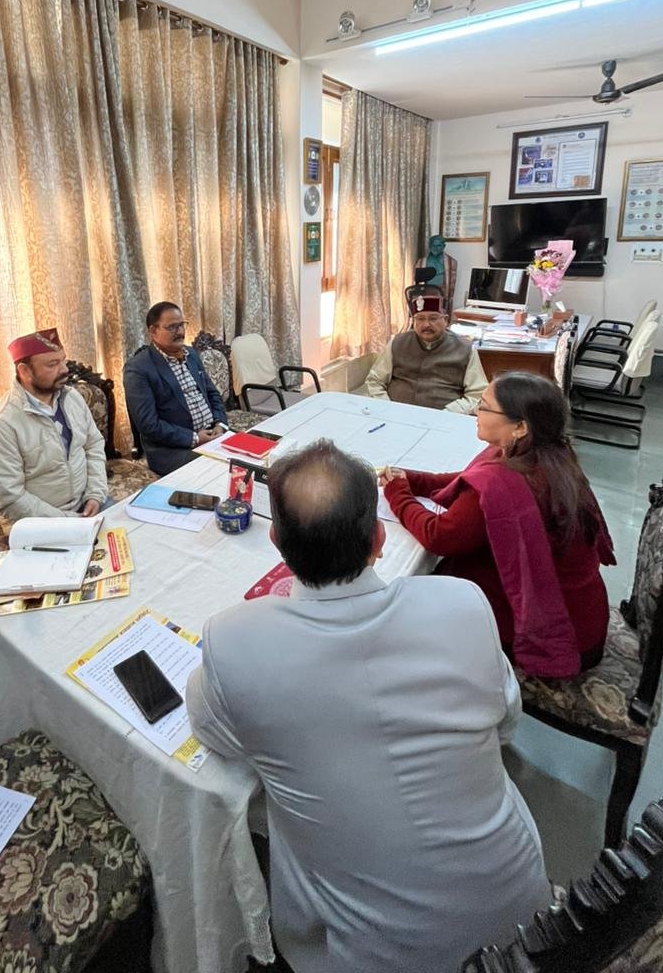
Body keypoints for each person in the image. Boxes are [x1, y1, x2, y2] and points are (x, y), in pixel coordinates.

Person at [186, 440, 552, 973]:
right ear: (379, 539)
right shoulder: (463, 604)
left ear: (277, 544)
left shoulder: (232, 640)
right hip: (524, 922)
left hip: (371, 954)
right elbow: (505, 725)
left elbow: (211, 729)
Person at [382, 371, 615, 677]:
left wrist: (397, 494)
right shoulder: (548, 453)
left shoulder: (504, 481)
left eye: (484, 406)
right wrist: (413, 480)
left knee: (413, 596)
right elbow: (465, 481)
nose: (475, 411)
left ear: (520, 427)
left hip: (561, 631)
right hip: (584, 611)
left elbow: (439, 536)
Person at [0, 327, 108, 535]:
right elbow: (9, 499)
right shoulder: (0, 424)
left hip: (86, 508)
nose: (64, 370)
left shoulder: (71, 397)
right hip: (37, 525)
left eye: (63, 360)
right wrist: (68, 521)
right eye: (52, 364)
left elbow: (93, 445)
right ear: (24, 371)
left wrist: (95, 494)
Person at [123, 302, 227, 475]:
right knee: (222, 471)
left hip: (212, 434)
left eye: (181, 325)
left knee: (252, 457)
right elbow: (149, 425)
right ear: (153, 331)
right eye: (172, 327)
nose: (180, 332)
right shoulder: (138, 368)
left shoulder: (191, 354)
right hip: (174, 450)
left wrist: (220, 424)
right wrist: (194, 438)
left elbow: (212, 394)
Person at [365, 292, 486, 412]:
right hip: (394, 413)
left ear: (445, 320)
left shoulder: (464, 349)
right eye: (420, 319)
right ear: (413, 321)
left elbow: (477, 393)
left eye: (433, 318)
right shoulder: (397, 342)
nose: (426, 324)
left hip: (442, 417)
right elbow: (375, 381)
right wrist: (386, 406)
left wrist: (449, 413)